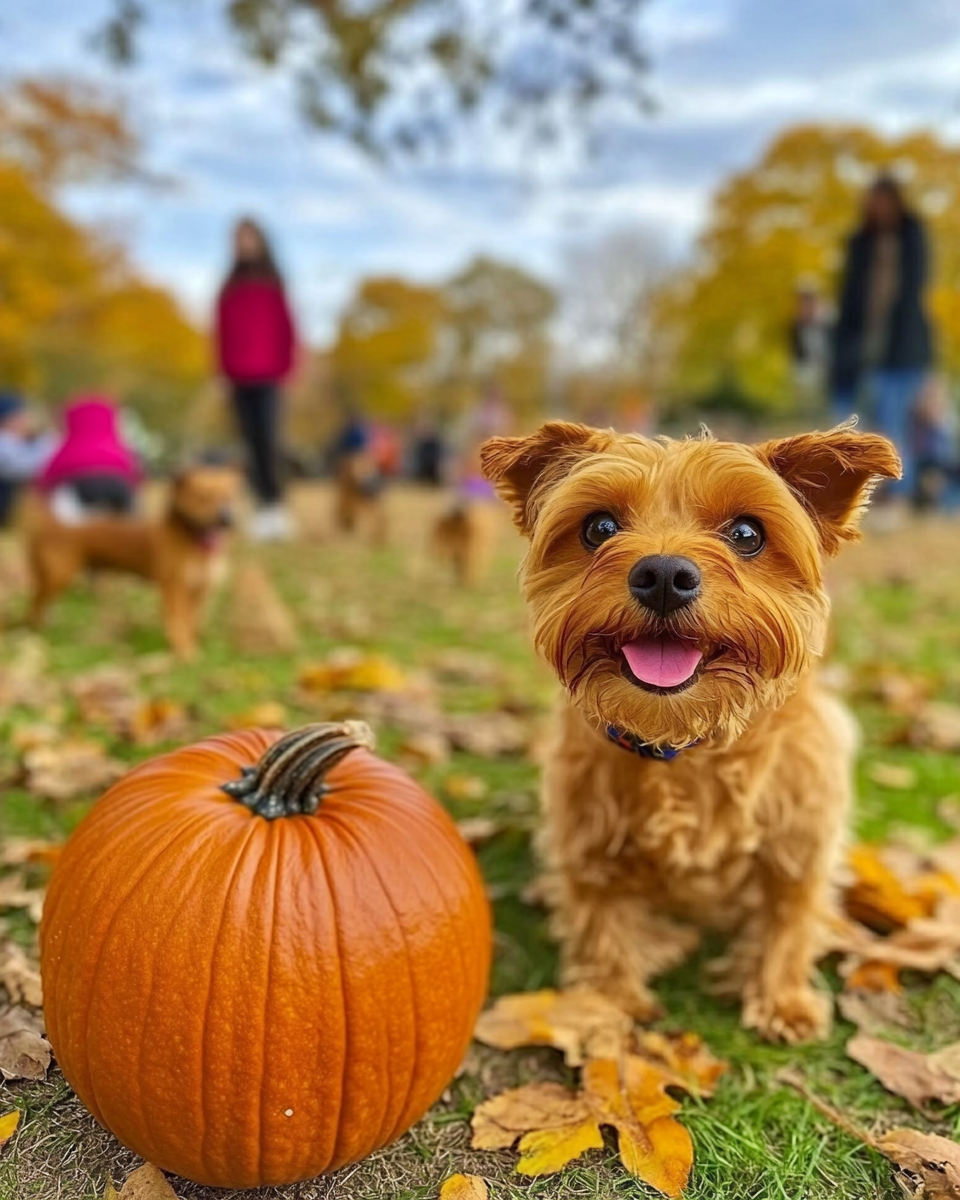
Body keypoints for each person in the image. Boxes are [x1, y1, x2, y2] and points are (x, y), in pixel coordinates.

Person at [831, 173, 933, 507]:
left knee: (894, 425)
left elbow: (916, 292)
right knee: (865, 427)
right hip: (863, 355)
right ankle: (869, 496)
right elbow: (849, 298)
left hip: (903, 353)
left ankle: (899, 495)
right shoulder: (860, 242)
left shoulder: (912, 235)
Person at [215, 217, 298, 541]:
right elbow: (221, 333)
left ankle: (276, 506)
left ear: (260, 241)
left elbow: (287, 329)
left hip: (269, 375)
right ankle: (261, 507)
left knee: (269, 441)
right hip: (237, 377)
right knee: (248, 443)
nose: (244, 244)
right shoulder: (228, 288)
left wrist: (288, 369)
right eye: (239, 239)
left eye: (249, 238)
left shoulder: (273, 284)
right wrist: (221, 373)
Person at [37, 394, 141, 523]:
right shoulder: (118, 446)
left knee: (71, 530)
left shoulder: (70, 444)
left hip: (79, 486)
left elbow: (49, 474)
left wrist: (41, 491)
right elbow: (136, 473)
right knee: (126, 528)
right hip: (119, 486)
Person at [0, 392, 57, 526]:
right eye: (22, 416)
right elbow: (25, 467)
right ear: (9, 419)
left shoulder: (17, 440)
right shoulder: (5, 441)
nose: (27, 420)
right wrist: (49, 440)